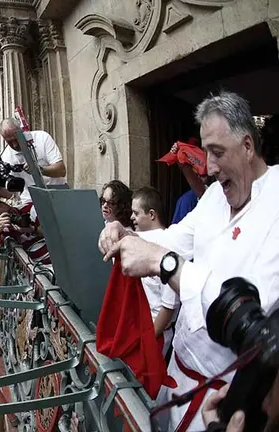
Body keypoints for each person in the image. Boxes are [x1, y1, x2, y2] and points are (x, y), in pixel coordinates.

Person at [98, 91, 279, 431]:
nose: (208, 168)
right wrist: (124, 234)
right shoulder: (213, 196)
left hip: (219, 402)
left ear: (248, 146)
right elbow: (174, 238)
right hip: (175, 375)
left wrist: (167, 264)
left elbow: (261, 313)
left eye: (217, 153)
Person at [131, 186, 179, 357]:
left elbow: (168, 306)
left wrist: (148, 339)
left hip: (155, 334)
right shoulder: (138, 242)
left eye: (136, 214)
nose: (132, 218)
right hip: (138, 330)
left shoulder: (167, 247)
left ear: (151, 214)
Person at [0, 117, 66, 204]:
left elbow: (61, 170)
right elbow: (12, 193)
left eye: (16, 139)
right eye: (9, 142)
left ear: (22, 131)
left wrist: (39, 169)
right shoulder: (6, 156)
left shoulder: (42, 138)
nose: (14, 145)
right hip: (31, 201)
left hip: (56, 193)